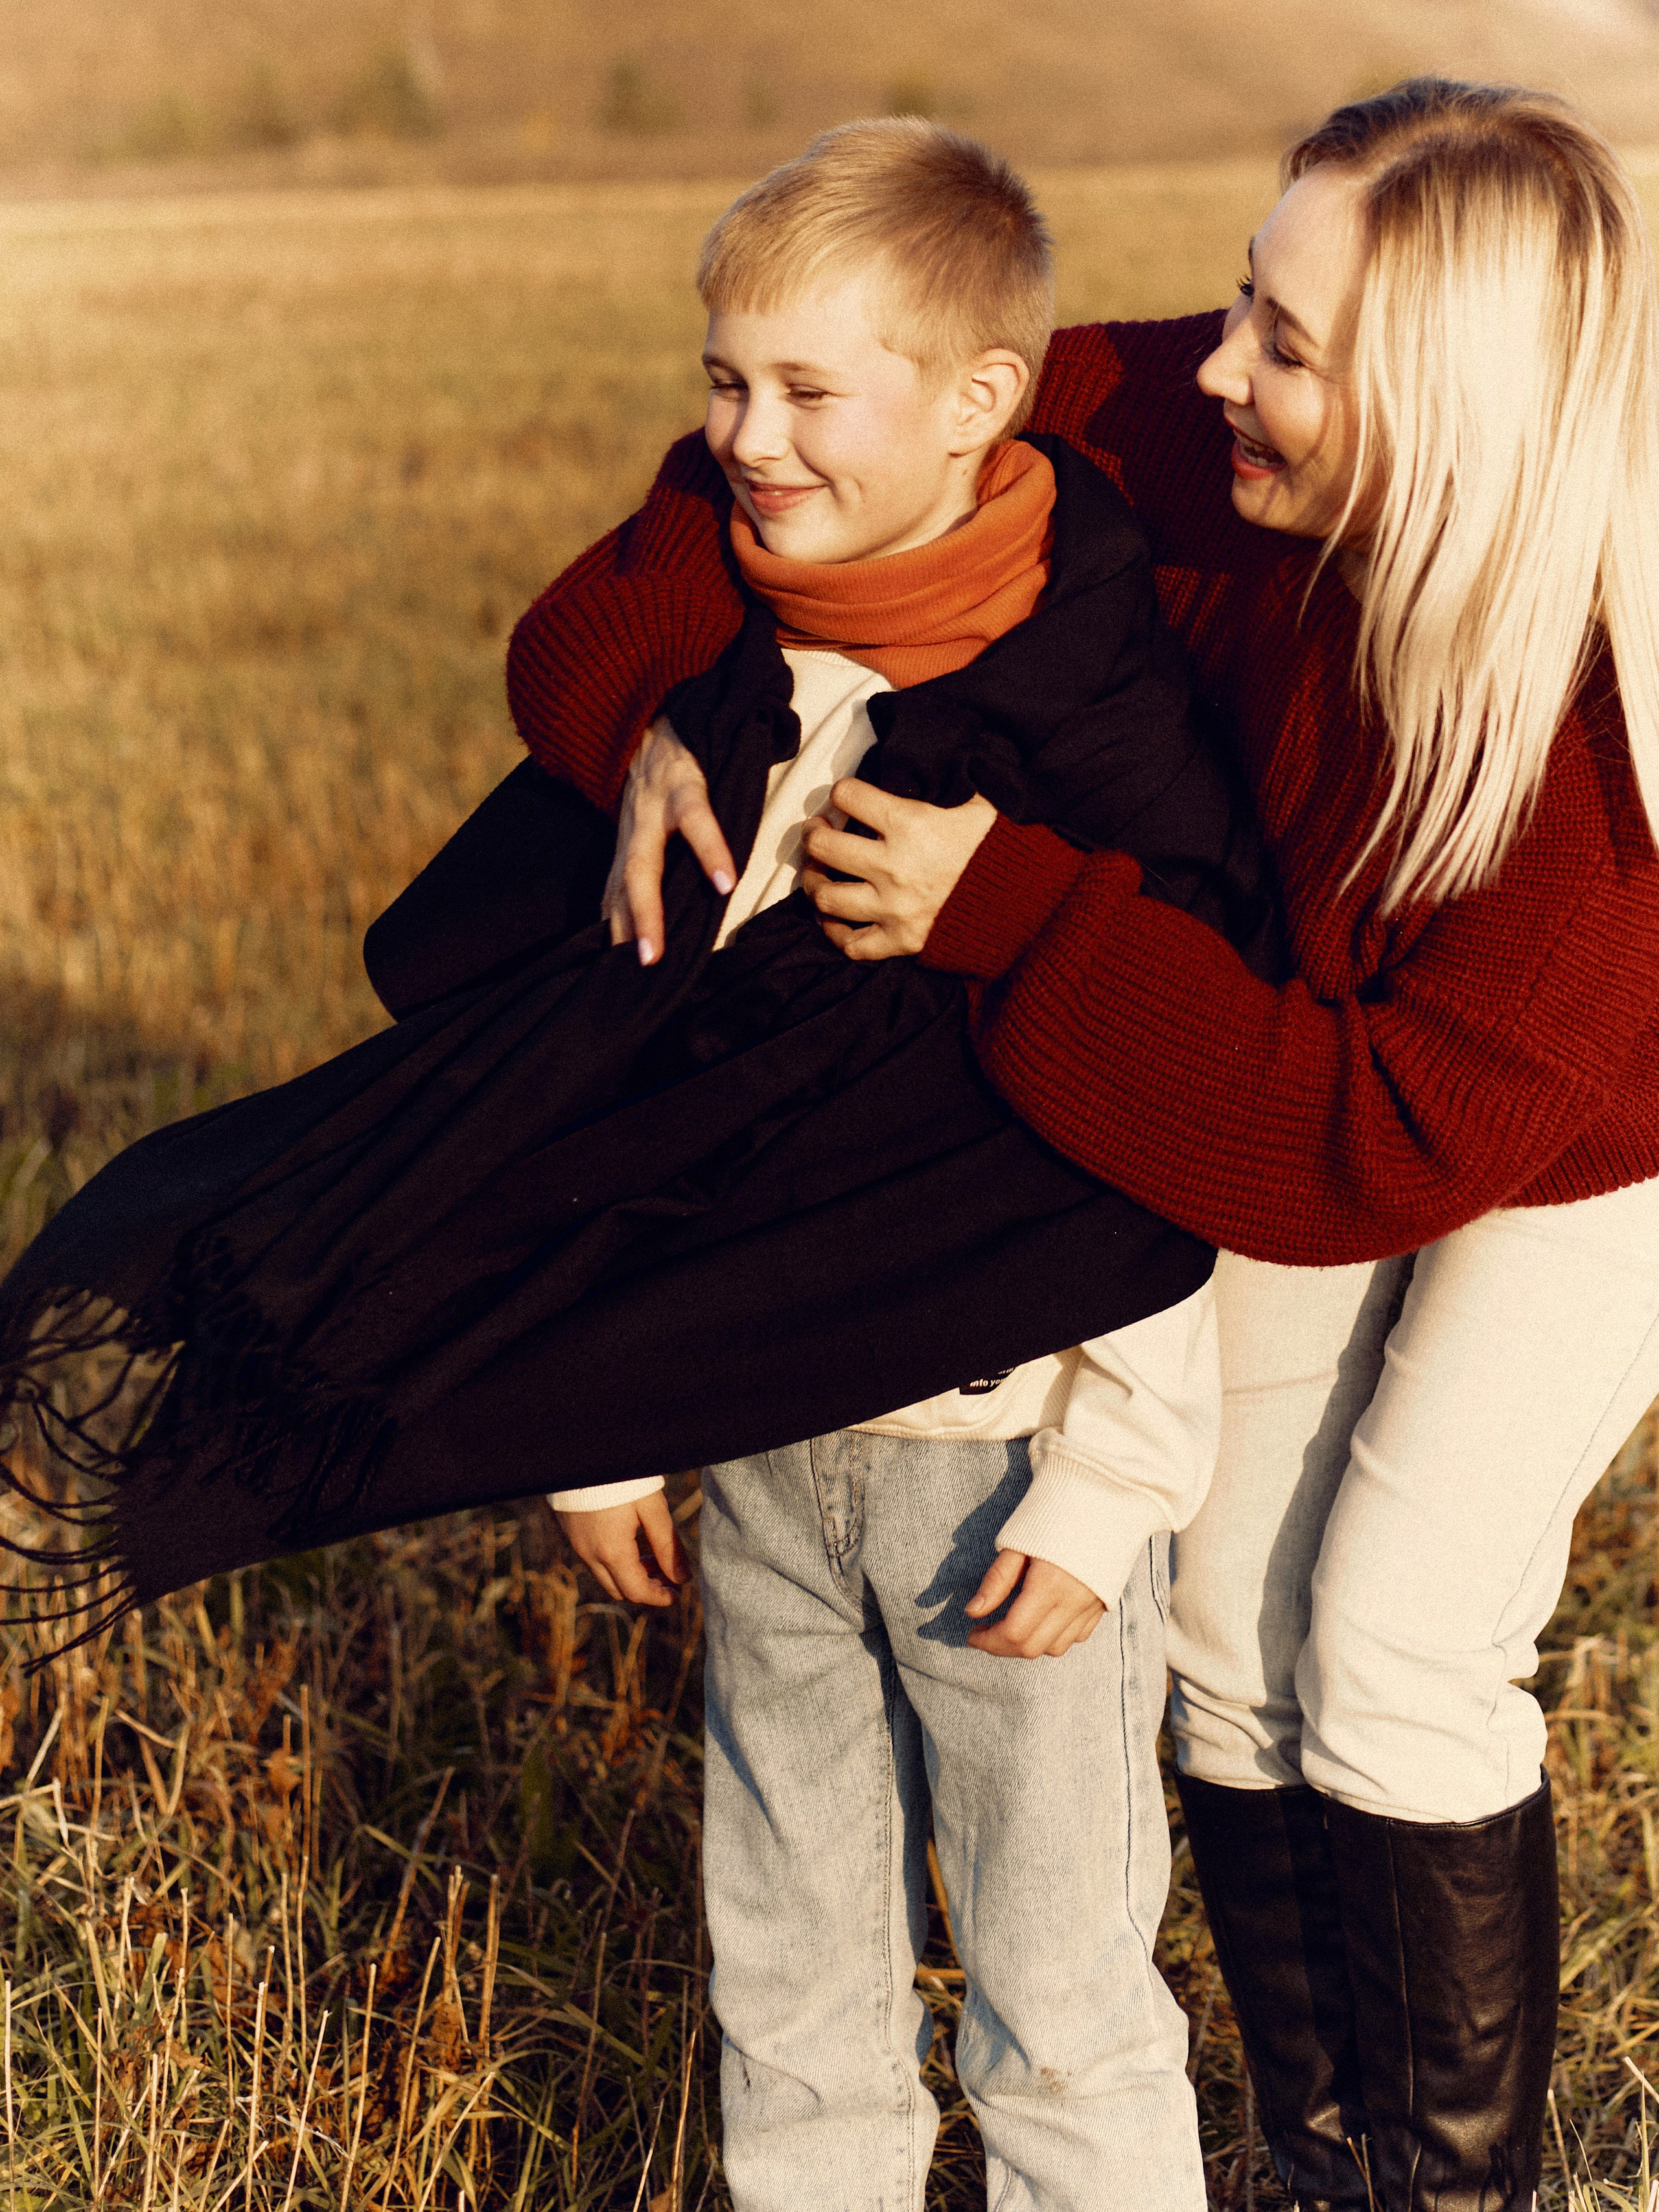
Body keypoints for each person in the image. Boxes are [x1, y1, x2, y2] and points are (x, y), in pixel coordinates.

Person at [0, 121, 1274, 2204]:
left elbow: (1144, 1145)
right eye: (720, 382)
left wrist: (1122, 1481)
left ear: (977, 403)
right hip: (747, 1439)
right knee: (785, 1953)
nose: (741, 441)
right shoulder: (730, 695)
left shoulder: (1099, 720)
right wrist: (598, 1427)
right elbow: (616, 1090)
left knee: (1060, 1983)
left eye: (800, 392)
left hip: (1009, 1469)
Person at [505, 80, 1659, 2212]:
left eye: (1289, 344)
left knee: (1393, 1643)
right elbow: (768, 473)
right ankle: (1316, 2154)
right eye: (1244, 297)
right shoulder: (1201, 441)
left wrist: (1019, 911)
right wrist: (660, 709)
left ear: (1453, 406)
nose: (1219, 362)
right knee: (1216, 1611)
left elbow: (1365, 1153)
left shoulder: (1587, 778)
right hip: (1286, 1051)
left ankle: (1448, 2191)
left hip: (1545, 1152)